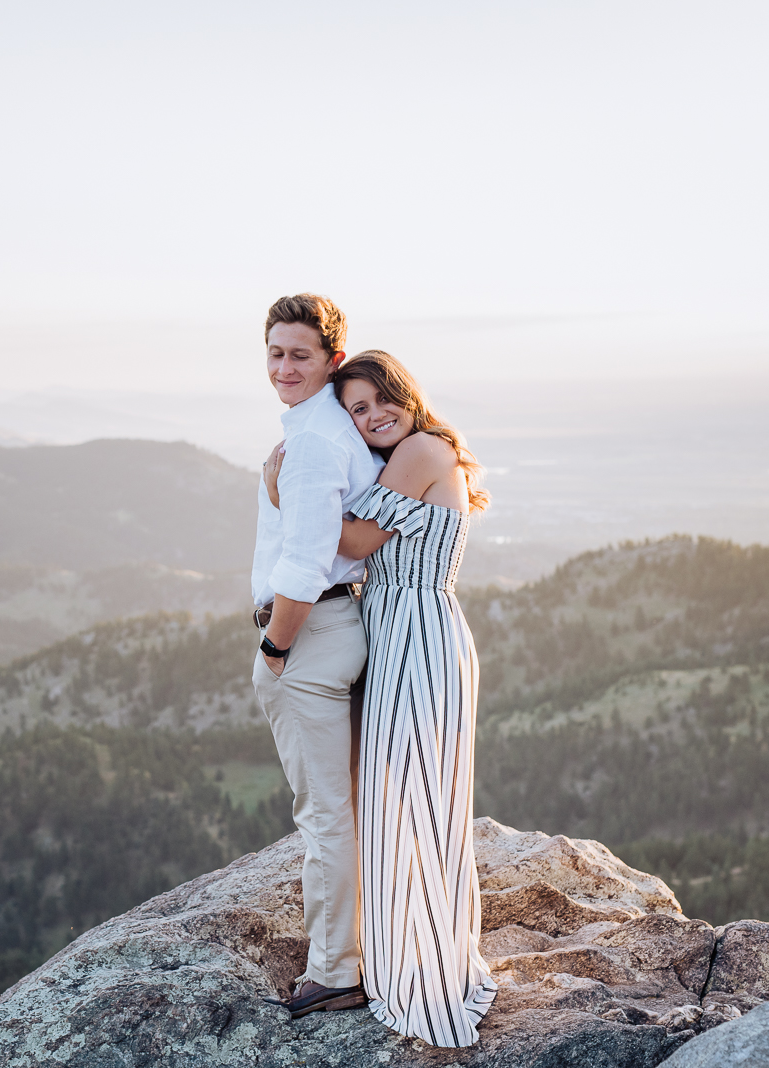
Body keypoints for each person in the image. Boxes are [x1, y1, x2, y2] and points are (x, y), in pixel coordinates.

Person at [263, 349, 497, 1047]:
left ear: (406, 393)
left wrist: (287, 494)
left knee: (415, 803)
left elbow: (355, 536)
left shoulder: (423, 447)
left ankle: (422, 971)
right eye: (356, 411)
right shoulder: (411, 454)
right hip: (398, 631)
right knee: (401, 803)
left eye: (378, 401)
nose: (371, 418)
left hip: (419, 637)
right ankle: (410, 953)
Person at [250, 294, 384, 1019]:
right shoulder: (330, 430)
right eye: (274, 352)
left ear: (332, 358)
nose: (283, 366)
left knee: (325, 815)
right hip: (335, 629)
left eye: (300, 353)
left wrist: (274, 649)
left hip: (307, 635)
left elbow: (303, 566)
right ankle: (352, 953)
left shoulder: (313, 442)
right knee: (339, 810)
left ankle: (336, 968)